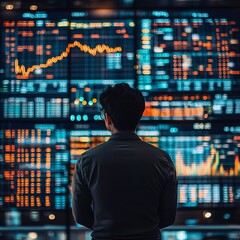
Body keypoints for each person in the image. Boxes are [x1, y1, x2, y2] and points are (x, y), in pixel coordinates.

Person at [72, 83, 177, 240]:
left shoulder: (87, 160)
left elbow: (80, 215)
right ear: (139, 117)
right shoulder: (162, 160)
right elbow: (168, 216)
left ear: (107, 118)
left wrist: (107, 227)